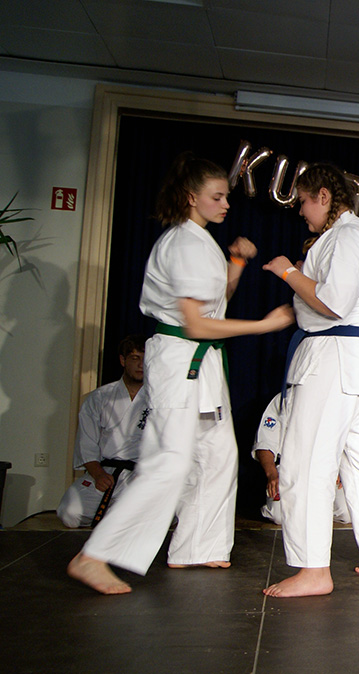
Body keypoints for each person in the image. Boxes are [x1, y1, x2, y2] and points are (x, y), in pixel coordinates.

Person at [68, 153, 295, 595]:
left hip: (202, 362)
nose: (226, 204)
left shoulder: (201, 241)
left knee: (218, 453)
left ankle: (197, 546)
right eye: (217, 196)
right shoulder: (183, 243)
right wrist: (263, 325)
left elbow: (214, 304)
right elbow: (195, 324)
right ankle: (94, 555)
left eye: (226, 196)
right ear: (192, 197)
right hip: (181, 359)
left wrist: (235, 263)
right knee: (169, 459)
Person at [261, 162, 359, 597]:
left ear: (324, 197)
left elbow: (333, 303)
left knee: (307, 460)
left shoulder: (347, 236)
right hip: (356, 361)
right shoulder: (347, 237)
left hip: (338, 358)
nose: (301, 211)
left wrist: (288, 272)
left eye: (304, 202)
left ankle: (313, 569)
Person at [57, 335, 149, 528]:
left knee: (151, 512)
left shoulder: (158, 398)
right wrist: (98, 475)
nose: (141, 365)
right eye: (134, 358)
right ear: (123, 360)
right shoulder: (100, 397)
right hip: (105, 472)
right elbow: (87, 443)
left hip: (142, 474)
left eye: (145, 359)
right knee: (69, 512)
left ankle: (120, 516)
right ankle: (117, 515)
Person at [252, 393, 350, 525]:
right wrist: (272, 474)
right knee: (279, 515)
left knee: (346, 513)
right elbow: (265, 443)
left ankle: (311, 510)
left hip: (328, 468)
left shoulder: (337, 398)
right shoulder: (285, 399)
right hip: (291, 468)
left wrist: (341, 468)